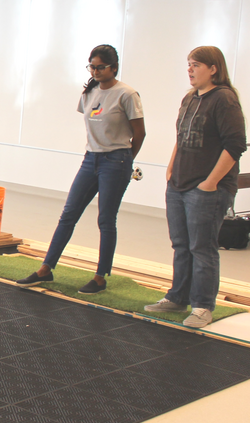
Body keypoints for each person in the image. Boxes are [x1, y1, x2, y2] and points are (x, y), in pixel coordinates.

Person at [17, 44, 145, 294]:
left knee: (106, 219)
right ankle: (46, 269)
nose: (95, 71)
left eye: (100, 67)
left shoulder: (127, 95)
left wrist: (127, 159)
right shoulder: (89, 92)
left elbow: (140, 133)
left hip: (116, 160)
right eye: (92, 66)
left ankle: (100, 276)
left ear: (114, 68)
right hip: (91, 159)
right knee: (69, 213)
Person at [145, 46, 246, 328]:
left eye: (196, 65)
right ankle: (178, 298)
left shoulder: (224, 99)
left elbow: (235, 145)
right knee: (181, 245)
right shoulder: (190, 98)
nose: (190, 70)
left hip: (207, 189)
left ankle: (203, 306)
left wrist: (210, 182)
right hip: (179, 183)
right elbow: (181, 135)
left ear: (213, 68)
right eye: (188, 64)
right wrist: (170, 166)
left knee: (202, 247)